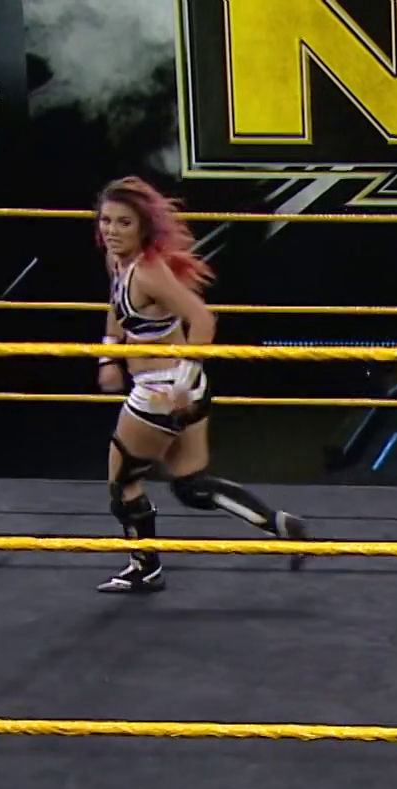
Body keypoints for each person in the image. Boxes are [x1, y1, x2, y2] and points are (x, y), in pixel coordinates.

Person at [93, 176, 308, 593]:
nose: (112, 231)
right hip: (183, 389)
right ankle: (281, 526)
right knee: (192, 485)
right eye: (106, 221)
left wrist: (182, 381)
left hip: (161, 392)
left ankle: (145, 567)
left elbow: (203, 319)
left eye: (124, 223)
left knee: (122, 484)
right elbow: (115, 309)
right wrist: (109, 357)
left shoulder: (149, 272)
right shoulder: (120, 262)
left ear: (142, 227)